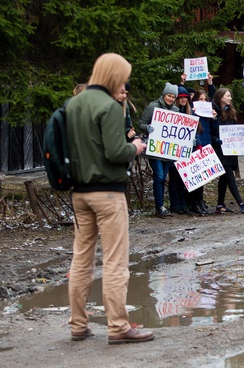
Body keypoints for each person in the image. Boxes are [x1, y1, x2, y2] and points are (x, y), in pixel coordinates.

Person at [66, 53, 153, 344]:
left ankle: (78, 324)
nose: (124, 82)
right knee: (115, 261)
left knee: (81, 259)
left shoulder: (73, 104)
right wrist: (136, 147)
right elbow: (116, 152)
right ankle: (118, 326)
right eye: (123, 76)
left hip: (79, 193)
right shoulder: (111, 107)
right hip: (108, 193)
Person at [139, 82, 178, 217]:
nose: (171, 99)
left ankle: (160, 206)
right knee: (160, 176)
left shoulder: (176, 111)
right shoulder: (153, 106)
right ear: (164, 95)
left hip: (168, 150)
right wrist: (147, 128)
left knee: (162, 177)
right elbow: (141, 123)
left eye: (173, 97)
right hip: (155, 149)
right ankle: (159, 206)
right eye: (169, 96)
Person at [212, 88, 244, 214]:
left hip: (230, 150)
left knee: (224, 178)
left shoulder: (231, 112)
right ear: (221, 97)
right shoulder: (214, 112)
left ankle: (220, 204)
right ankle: (241, 203)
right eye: (228, 96)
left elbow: (236, 131)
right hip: (220, 150)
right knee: (229, 176)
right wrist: (216, 139)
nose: (230, 98)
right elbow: (211, 130)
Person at [187, 90, 214, 215]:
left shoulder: (208, 113)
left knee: (203, 177)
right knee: (196, 176)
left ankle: (200, 201)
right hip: (197, 145)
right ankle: (194, 202)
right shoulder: (192, 112)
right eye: (200, 99)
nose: (203, 102)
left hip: (206, 144)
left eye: (204, 99)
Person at [168, 86, 193, 215]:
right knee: (174, 179)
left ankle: (183, 204)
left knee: (183, 179)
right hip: (173, 150)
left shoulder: (189, 112)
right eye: (181, 97)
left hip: (185, 150)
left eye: (185, 98)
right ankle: (175, 204)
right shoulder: (174, 111)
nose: (183, 100)